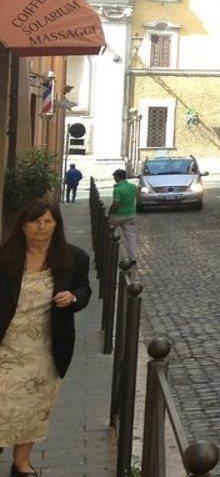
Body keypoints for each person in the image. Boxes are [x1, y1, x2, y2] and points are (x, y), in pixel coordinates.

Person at [0, 200, 93, 476]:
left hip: (46, 346)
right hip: (7, 343)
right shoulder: (5, 257)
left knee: (35, 406)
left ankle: (21, 462)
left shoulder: (74, 258)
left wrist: (74, 298)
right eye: (35, 221)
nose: (41, 227)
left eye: (48, 221)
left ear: (57, 225)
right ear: (23, 226)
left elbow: (84, 290)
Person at [108, 168, 139, 263]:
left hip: (119, 215)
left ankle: (112, 252)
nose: (114, 179)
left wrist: (110, 213)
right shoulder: (133, 186)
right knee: (130, 237)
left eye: (114, 177)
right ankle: (133, 257)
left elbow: (116, 204)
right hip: (130, 215)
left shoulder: (117, 189)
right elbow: (135, 198)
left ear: (117, 177)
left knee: (111, 231)